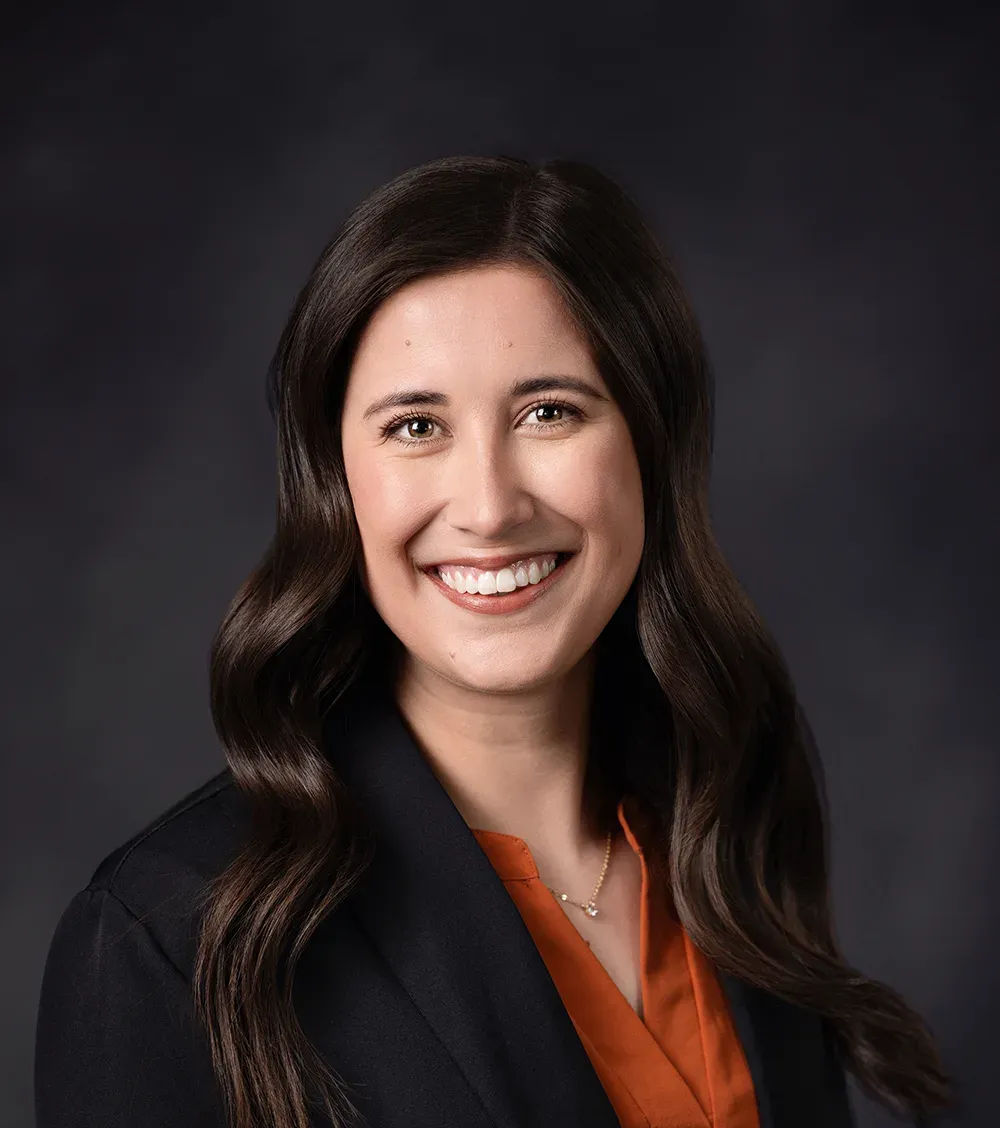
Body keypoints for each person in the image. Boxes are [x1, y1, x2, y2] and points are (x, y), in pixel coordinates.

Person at [34, 155, 954, 1128]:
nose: (487, 506)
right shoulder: (167, 942)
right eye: (416, 425)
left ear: (651, 444)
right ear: (334, 482)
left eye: (547, 412)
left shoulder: (725, 824)